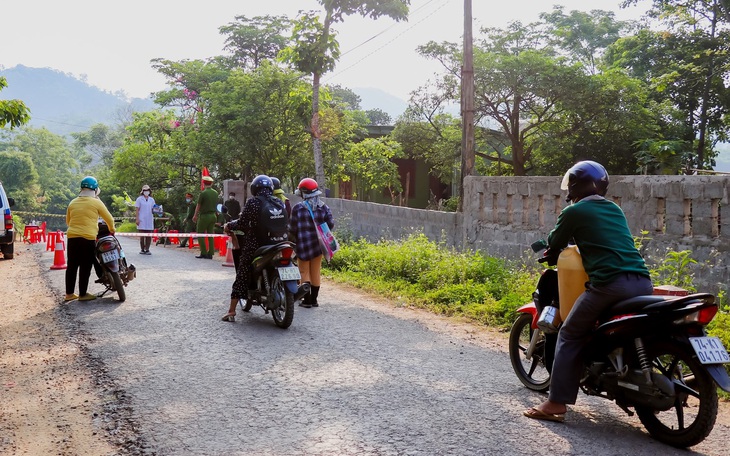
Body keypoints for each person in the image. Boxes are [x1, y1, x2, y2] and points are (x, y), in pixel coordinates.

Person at [523, 160, 653, 423]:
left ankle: (555, 404)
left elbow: (556, 241)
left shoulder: (574, 212)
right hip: (642, 282)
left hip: (610, 285)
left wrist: (549, 250)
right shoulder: (614, 209)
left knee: (570, 333)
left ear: (575, 185)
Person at [221, 175, 288, 322]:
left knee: (242, 271)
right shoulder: (278, 201)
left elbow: (243, 223)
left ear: (254, 189)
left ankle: (231, 311)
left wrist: (229, 226)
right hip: (280, 242)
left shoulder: (254, 202)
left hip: (258, 245)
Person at [65, 176, 116, 302]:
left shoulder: (73, 202)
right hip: (88, 238)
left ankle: (69, 294)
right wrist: (112, 229)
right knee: (85, 266)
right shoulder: (96, 202)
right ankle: (82, 294)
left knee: (72, 266)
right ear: (95, 189)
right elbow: (109, 219)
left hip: (72, 237)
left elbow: (68, 221)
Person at [288, 178, 334, 308]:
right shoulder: (324, 207)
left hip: (302, 245)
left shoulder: (298, 208)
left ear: (304, 193)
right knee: (315, 272)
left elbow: (292, 228)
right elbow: (331, 224)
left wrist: (292, 241)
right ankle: (314, 300)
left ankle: (306, 300)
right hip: (318, 246)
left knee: (304, 272)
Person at [193, 175, 218, 259]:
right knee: (211, 234)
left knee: (200, 233)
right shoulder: (215, 193)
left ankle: (203, 252)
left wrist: (195, 215)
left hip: (204, 216)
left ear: (203, 183)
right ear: (211, 183)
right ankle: (210, 253)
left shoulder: (203, 193)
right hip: (213, 216)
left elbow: (198, 205)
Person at [135, 184, 155, 255]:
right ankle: (142, 249)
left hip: (149, 219)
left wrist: (158, 210)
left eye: (147, 190)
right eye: (145, 190)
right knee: (142, 236)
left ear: (149, 191)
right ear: (142, 191)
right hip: (142, 219)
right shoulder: (139, 199)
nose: (146, 192)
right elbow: (137, 209)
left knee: (149, 235)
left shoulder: (151, 200)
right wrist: (137, 219)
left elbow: (153, 209)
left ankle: (147, 249)